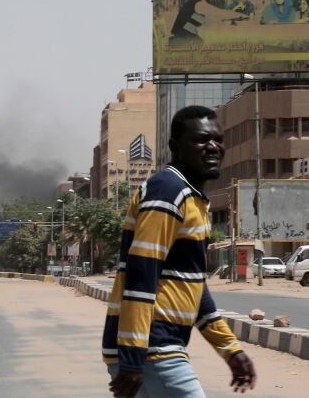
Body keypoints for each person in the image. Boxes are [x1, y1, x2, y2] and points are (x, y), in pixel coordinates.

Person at [104, 106, 256, 398]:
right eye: (201, 139)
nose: (213, 147)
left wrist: (230, 349)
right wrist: (134, 358)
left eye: (218, 139)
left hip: (157, 346)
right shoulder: (168, 190)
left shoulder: (192, 199)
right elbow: (141, 274)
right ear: (175, 147)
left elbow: (194, 287)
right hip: (153, 347)